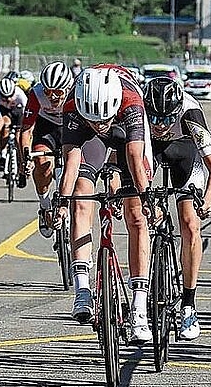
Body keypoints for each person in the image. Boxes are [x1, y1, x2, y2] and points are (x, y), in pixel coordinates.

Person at [54, 65, 154, 344]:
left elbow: (135, 156)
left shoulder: (131, 100)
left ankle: (139, 308)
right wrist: (62, 201)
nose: (100, 126)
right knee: (80, 199)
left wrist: (146, 198)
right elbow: (71, 161)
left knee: (136, 216)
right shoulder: (74, 103)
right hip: (89, 137)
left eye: (103, 121)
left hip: (127, 135)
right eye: (93, 121)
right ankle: (82, 289)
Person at [143, 77, 211, 340]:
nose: (159, 126)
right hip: (150, 152)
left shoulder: (190, 114)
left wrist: (208, 201)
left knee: (189, 223)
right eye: (153, 119)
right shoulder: (138, 112)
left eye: (166, 119)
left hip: (184, 153)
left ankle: (188, 304)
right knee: (139, 206)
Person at [19, 61, 75, 237]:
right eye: (48, 92)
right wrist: (25, 158)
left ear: (67, 88)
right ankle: (44, 205)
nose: (52, 96)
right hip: (47, 128)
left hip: (70, 127)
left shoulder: (76, 92)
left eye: (58, 92)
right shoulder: (36, 94)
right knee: (42, 163)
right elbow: (26, 130)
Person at [0, 77, 28, 188]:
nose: (8, 99)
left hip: (18, 112)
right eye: (4, 97)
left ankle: (21, 170)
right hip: (4, 112)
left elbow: (27, 112)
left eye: (10, 96)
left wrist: (23, 128)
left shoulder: (20, 95)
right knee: (4, 126)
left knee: (19, 139)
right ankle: (3, 155)